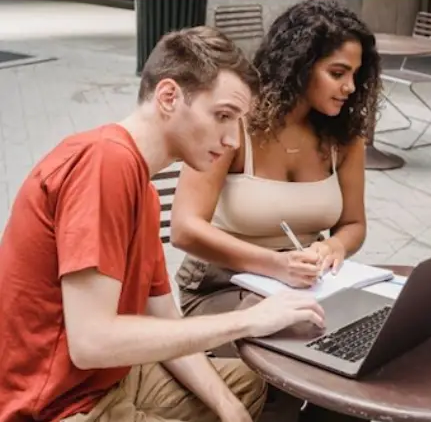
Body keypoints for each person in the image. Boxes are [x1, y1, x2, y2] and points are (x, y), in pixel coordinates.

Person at [0, 26, 326, 422]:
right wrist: (246, 321)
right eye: (223, 116)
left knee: (245, 384)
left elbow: (162, 316)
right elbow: (91, 342)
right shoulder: (104, 163)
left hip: (108, 380)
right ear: (169, 96)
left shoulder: (143, 189)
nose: (233, 141)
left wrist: (230, 408)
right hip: (55, 405)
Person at [169, 0, 381, 421]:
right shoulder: (237, 123)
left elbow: (353, 224)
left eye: (356, 75)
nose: (350, 88)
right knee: (301, 346)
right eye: (337, 73)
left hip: (303, 284)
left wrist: (334, 248)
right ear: (300, 65)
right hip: (219, 286)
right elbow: (185, 228)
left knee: (369, 346)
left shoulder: (344, 136)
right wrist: (274, 265)